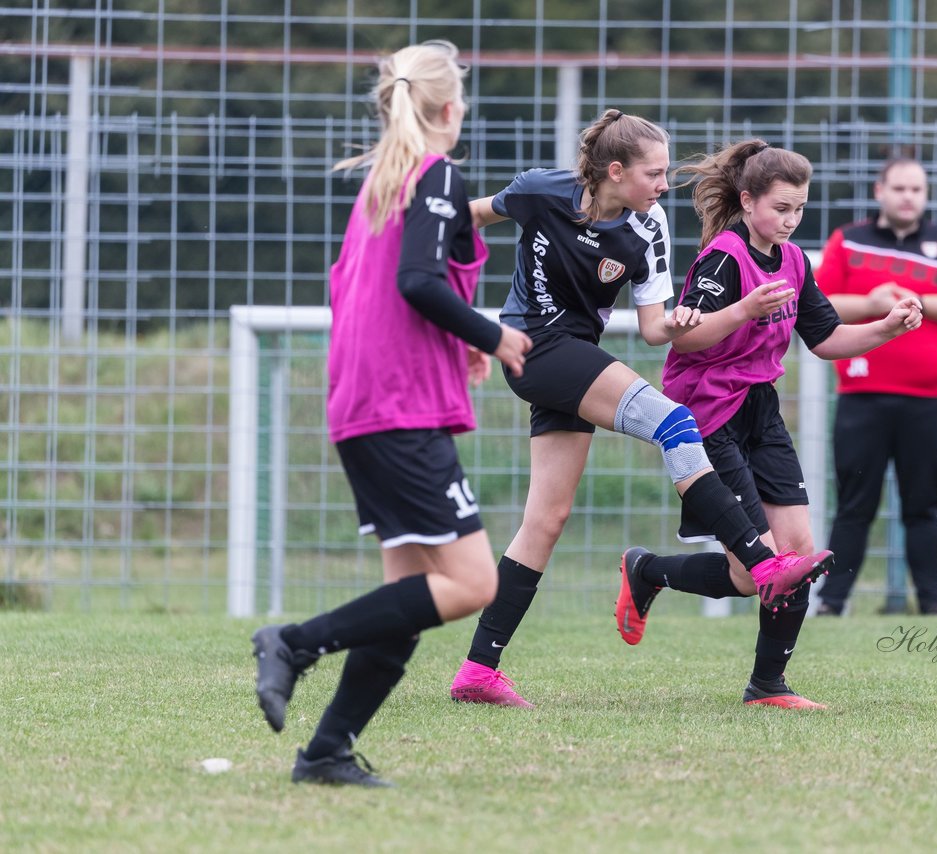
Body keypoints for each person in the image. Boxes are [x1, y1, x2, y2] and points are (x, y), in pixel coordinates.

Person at [448, 111, 837, 708]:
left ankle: (478, 669)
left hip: (575, 361)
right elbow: (466, 219)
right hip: (535, 349)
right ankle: (762, 565)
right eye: (654, 173)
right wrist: (442, 295)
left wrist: (685, 321)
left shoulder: (648, 225)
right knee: (674, 421)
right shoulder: (538, 190)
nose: (664, 184)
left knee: (545, 520)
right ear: (615, 170)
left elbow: (656, 330)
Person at [249, 41, 533, 787]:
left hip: (366, 402)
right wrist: (493, 335)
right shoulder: (434, 174)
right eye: (463, 95)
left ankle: (326, 753)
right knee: (474, 583)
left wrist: (454, 343)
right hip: (397, 406)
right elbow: (418, 282)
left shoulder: (386, 182)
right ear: (449, 108)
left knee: (407, 598)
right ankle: (294, 642)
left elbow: (365, 289)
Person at [611, 140, 922, 708]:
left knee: (794, 553)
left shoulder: (797, 261)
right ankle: (649, 570)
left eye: (799, 209)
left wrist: (888, 327)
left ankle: (766, 684)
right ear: (748, 200)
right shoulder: (725, 259)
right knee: (757, 565)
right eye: (781, 208)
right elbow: (686, 336)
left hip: (760, 409)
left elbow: (826, 340)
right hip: (708, 414)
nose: (791, 219)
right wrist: (743, 310)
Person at [813, 156, 937, 617]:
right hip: (861, 399)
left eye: (917, 189)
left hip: (930, 402)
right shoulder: (848, 240)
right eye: (900, 188)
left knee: (923, 508)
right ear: (880, 191)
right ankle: (832, 603)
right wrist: (870, 303)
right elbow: (818, 303)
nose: (908, 197)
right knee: (854, 506)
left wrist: (922, 303)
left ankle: (932, 602)